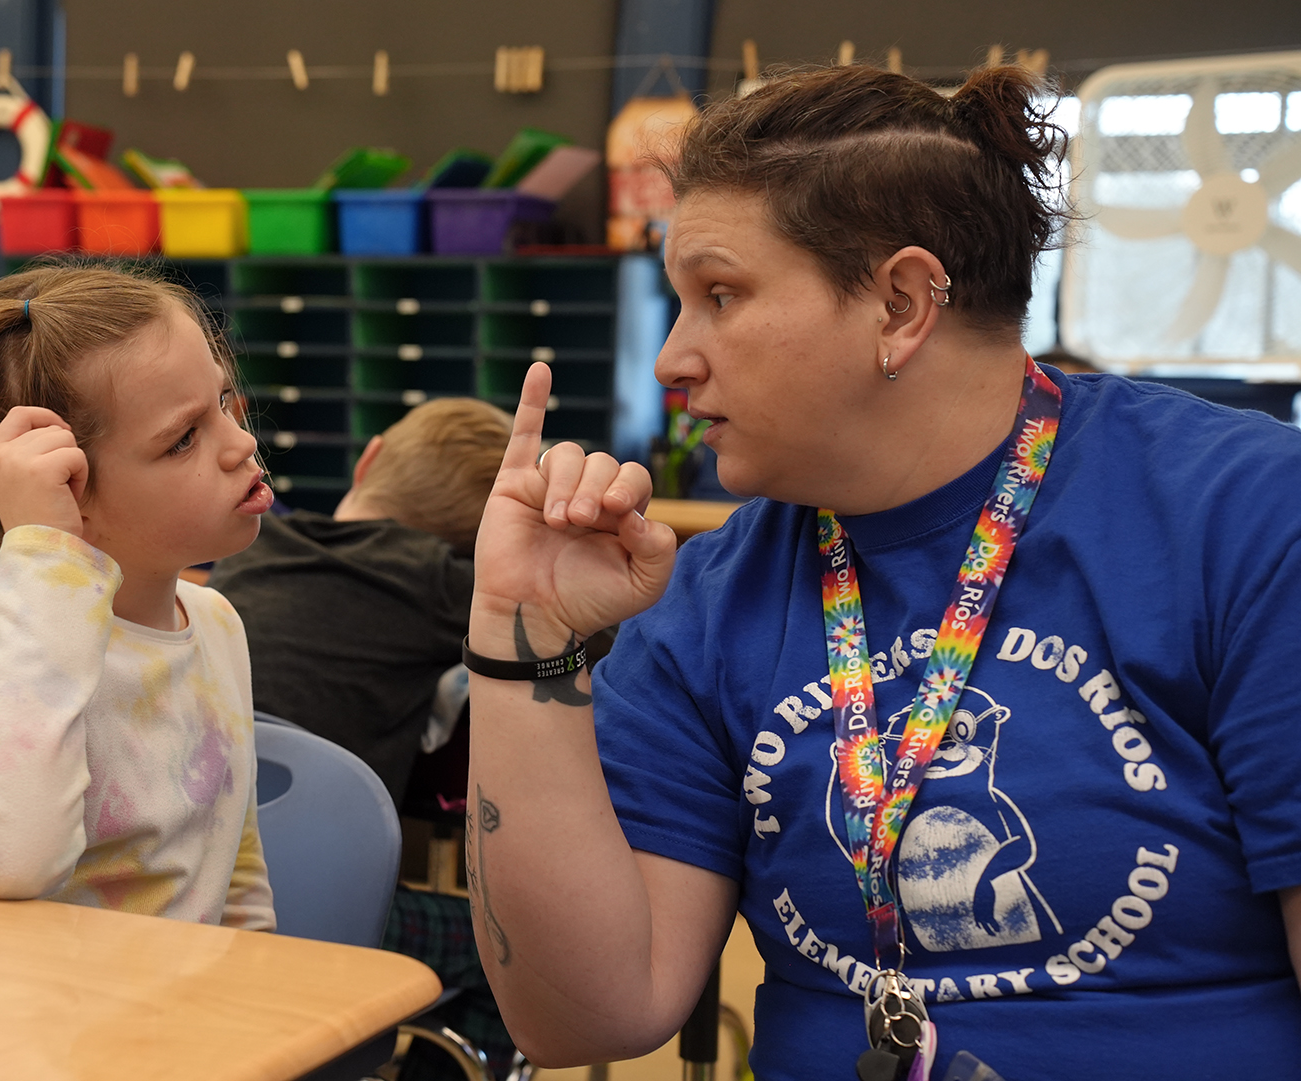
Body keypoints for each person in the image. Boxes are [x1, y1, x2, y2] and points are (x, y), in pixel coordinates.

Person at [463, 63, 1301, 1081]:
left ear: (901, 305)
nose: (670, 359)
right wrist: (520, 636)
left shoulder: (1248, 518)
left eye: (720, 295)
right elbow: (583, 1018)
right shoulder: (709, 600)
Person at [0, 265, 275, 932]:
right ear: (66, 487)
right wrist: (47, 554)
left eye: (225, 400)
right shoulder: (1, 637)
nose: (242, 444)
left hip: (159, 997)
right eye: (183, 438)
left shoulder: (215, 622)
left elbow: (233, 873)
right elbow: (10, 864)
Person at [209, 397, 516, 1074]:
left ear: (368, 457)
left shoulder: (249, 552)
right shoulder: (438, 581)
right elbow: (579, 627)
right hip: (323, 918)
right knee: (515, 948)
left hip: (199, 897)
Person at [208, 396, 509, 799]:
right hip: (330, 824)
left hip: (201, 796)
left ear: (368, 459)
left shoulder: (253, 542)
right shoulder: (439, 580)